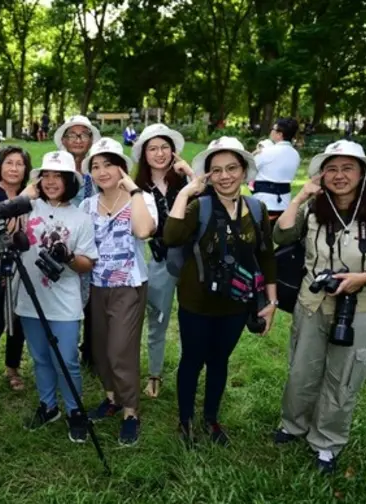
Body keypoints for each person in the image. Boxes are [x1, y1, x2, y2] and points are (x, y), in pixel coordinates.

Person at [272, 140, 366, 474]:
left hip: (357, 306)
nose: (339, 175)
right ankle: (293, 425)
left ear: (362, 174)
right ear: (322, 175)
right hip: (312, 302)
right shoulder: (314, 210)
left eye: (348, 168)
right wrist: (302, 196)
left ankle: (326, 443)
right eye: (331, 168)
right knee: (302, 368)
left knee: (342, 377)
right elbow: (281, 236)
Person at [163, 137, 277, 448]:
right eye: (216, 170)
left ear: (244, 171)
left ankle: (211, 418)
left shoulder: (256, 208)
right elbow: (171, 236)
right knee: (192, 360)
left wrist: (271, 300)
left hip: (236, 303)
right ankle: (185, 419)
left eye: (232, 168)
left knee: (220, 361)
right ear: (208, 175)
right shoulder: (199, 206)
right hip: (196, 302)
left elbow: (265, 255)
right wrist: (188, 191)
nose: (225, 176)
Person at [80, 137, 158, 446]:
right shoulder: (88, 205)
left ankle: (130, 411)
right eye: (95, 166)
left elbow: (143, 231)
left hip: (129, 286)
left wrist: (134, 190)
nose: (101, 171)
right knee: (100, 349)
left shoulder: (142, 199)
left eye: (109, 164)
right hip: (97, 286)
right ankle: (112, 398)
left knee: (120, 350)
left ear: (122, 168)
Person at [16, 150, 98, 442]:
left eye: (58, 176)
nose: (50, 182)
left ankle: (75, 410)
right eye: (45, 175)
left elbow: (88, 262)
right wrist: (30, 188)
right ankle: (48, 406)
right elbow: (6, 211)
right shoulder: (27, 207)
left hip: (64, 300)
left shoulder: (81, 218)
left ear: (69, 181)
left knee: (67, 359)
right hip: (29, 297)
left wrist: (69, 257)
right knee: (40, 358)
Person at [132, 123, 193, 399]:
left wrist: (189, 172)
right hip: (158, 259)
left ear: (174, 151)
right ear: (144, 154)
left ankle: (188, 370)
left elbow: (208, 197)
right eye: (153, 148)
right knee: (157, 317)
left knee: (190, 317)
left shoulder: (183, 182)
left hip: (191, 260)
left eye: (165, 148)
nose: (159, 154)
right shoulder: (137, 188)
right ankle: (154, 373)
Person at [0, 146, 32, 391]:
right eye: (9, 163)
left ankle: (12, 367)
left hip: (24, 265)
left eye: (19, 164)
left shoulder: (31, 194)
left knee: (18, 319)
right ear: (0, 166)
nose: (13, 168)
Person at [53, 114, 101, 367]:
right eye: (73, 134)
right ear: (64, 139)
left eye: (84, 134)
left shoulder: (99, 167)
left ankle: (90, 353)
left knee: (94, 301)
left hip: (95, 245)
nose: (79, 139)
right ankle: (63, 350)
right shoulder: (57, 168)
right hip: (61, 243)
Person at [251, 118, 301, 220]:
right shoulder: (296, 154)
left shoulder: (266, 152)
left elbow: (248, 167)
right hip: (285, 203)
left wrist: (255, 153)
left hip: (263, 202)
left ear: (280, 134)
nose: (271, 131)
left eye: (273, 129)